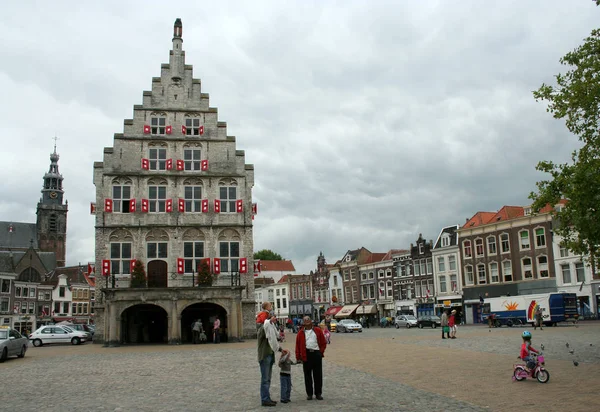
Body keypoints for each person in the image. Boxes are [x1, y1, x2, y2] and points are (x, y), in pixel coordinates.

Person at [295, 316, 327, 401]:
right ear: (303, 322)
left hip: (316, 354)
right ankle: (309, 394)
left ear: (311, 321)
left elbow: (323, 342)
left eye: (308, 319)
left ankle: (318, 393)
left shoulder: (318, 330)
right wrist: (298, 357)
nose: (307, 321)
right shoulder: (300, 333)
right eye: (305, 320)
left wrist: (320, 352)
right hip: (306, 354)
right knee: (307, 375)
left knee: (318, 375)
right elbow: (297, 346)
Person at [258, 315, 283, 407]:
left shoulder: (270, 328)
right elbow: (270, 338)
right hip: (264, 356)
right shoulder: (263, 329)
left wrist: (280, 349)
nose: (275, 319)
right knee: (265, 379)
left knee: (268, 379)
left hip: (269, 356)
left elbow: (273, 341)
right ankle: (264, 399)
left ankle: (267, 398)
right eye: (273, 317)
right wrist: (269, 321)